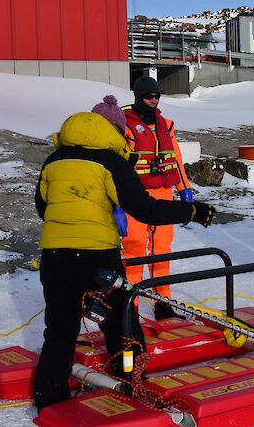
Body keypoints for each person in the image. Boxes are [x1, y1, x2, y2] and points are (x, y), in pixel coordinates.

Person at [33, 95, 215, 411]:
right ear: (116, 131)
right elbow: (144, 208)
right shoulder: (111, 162)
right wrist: (191, 211)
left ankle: (49, 397)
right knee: (122, 321)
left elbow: (42, 207)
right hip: (97, 257)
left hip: (54, 257)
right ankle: (129, 380)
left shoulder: (54, 160)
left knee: (60, 331)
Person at [121, 76, 194, 320]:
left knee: (162, 249)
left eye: (156, 97)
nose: (153, 101)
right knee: (135, 249)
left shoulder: (166, 125)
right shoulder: (124, 125)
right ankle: (129, 306)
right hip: (136, 196)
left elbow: (176, 158)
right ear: (138, 97)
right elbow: (118, 163)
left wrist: (184, 188)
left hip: (163, 193)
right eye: (148, 97)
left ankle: (163, 302)